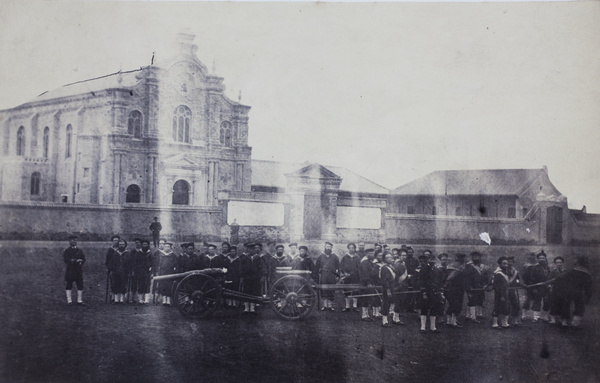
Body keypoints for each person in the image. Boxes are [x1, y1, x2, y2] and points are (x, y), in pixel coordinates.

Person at [551, 255, 592, 328]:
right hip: (578, 292)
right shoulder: (587, 273)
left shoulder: (572, 271)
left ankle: (566, 320)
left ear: (579, 262)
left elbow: (560, 278)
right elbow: (588, 287)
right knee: (578, 306)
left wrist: (553, 281)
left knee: (567, 305)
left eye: (575, 260)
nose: (574, 261)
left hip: (569, 291)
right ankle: (574, 322)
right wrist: (587, 296)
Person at [416, 251, 444, 333]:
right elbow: (421, 281)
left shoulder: (437, 270)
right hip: (426, 292)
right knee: (424, 309)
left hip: (435, 292)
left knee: (434, 309)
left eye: (433, 259)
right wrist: (424, 292)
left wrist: (440, 292)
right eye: (430, 259)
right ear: (427, 260)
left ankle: (433, 327)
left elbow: (439, 282)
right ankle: (423, 327)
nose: (432, 261)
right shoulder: (424, 269)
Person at [464, 251, 491, 323]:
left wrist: (485, 284)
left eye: (478, 257)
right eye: (474, 257)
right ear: (472, 258)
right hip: (472, 286)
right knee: (472, 300)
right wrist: (468, 286)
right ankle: (471, 316)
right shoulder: (468, 266)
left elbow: (485, 276)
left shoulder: (482, 266)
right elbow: (467, 277)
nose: (476, 258)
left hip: (480, 286)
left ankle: (479, 314)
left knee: (481, 299)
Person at [152, 240, 179, 306]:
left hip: (170, 272)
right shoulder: (161, 255)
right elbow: (157, 264)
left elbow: (176, 264)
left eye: (168, 247)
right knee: (163, 286)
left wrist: (175, 270)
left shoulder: (173, 255)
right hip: (163, 272)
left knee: (169, 286)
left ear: (170, 248)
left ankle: (168, 300)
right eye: (165, 246)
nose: (166, 248)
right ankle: (164, 300)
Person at [444, 253, 467, 328]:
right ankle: (452, 322)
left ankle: (450, 321)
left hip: (457, 288)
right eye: (462, 258)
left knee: (453, 304)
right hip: (454, 288)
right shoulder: (458, 266)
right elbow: (450, 277)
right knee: (455, 304)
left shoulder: (454, 265)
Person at [315, 242, 340, 311]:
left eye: (329, 247)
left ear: (331, 248)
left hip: (332, 275)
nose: (328, 248)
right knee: (324, 289)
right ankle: (325, 305)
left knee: (331, 289)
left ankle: (330, 305)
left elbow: (338, 267)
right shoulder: (321, 257)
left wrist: (338, 275)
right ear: (325, 247)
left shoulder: (335, 257)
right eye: (327, 247)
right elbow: (317, 267)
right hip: (324, 275)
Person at [63, 235, 85, 305]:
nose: (74, 241)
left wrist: (81, 261)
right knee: (69, 285)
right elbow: (66, 260)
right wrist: (75, 261)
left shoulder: (79, 250)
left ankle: (79, 300)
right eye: (72, 240)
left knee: (80, 285)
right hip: (70, 270)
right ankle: (69, 300)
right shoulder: (67, 251)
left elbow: (84, 258)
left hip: (78, 270)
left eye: (75, 240)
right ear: (69, 242)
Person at [529, 251, 551, 322]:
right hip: (538, 286)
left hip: (546, 287)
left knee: (547, 301)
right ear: (538, 259)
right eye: (540, 258)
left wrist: (549, 285)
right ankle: (536, 317)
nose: (541, 259)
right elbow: (532, 278)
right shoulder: (535, 268)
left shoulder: (547, 267)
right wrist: (534, 288)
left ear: (545, 259)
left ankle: (544, 315)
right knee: (537, 301)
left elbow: (550, 277)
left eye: (543, 258)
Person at [241, 243, 262, 313]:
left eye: (252, 249)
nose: (251, 251)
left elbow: (261, 268)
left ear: (254, 250)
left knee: (254, 291)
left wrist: (260, 276)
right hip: (247, 278)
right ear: (247, 250)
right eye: (249, 249)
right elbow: (241, 268)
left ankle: (252, 307)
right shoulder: (244, 258)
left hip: (255, 278)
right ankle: (247, 307)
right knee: (246, 291)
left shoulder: (258, 258)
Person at [107, 239, 130, 304]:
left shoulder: (127, 254)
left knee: (123, 284)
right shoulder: (115, 254)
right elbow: (111, 263)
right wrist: (110, 269)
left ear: (125, 245)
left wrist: (129, 271)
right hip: (116, 272)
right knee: (116, 284)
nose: (121, 246)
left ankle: (122, 299)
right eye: (120, 244)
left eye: (123, 244)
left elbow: (130, 264)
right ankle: (116, 299)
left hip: (124, 272)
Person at [340, 243, 360, 312]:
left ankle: (355, 306)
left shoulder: (357, 257)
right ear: (348, 249)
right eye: (350, 248)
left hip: (355, 277)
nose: (351, 249)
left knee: (355, 290)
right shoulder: (345, 257)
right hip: (347, 277)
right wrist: (344, 273)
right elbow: (341, 266)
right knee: (347, 290)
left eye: (353, 248)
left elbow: (360, 267)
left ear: (355, 249)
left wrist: (355, 273)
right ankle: (347, 306)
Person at [492, 257, 511, 329]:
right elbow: (497, 286)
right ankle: (494, 324)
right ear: (500, 264)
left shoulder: (506, 272)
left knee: (506, 307)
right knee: (497, 307)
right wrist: (501, 295)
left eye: (507, 264)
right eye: (504, 263)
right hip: (499, 293)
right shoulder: (498, 274)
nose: (506, 265)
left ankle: (504, 323)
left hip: (506, 293)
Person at [379, 252, 398, 327]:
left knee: (391, 303)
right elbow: (385, 280)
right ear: (384, 259)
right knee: (386, 304)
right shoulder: (384, 267)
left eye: (391, 257)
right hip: (387, 289)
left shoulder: (392, 266)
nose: (390, 259)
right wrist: (388, 290)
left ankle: (393, 319)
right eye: (387, 257)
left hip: (393, 288)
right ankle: (384, 321)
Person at [134, 239, 153, 304]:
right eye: (143, 244)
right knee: (140, 285)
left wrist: (151, 270)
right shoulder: (138, 253)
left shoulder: (150, 254)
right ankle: (140, 299)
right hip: (140, 272)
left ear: (148, 245)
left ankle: (146, 299)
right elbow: (135, 263)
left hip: (147, 271)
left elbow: (153, 263)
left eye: (146, 244)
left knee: (147, 285)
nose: (144, 246)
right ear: (141, 245)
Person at [358, 248, 376, 321]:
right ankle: (364, 315)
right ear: (366, 254)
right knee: (365, 298)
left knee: (368, 299)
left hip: (368, 283)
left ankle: (367, 315)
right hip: (365, 283)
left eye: (373, 253)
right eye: (370, 254)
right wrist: (368, 282)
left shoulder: (369, 261)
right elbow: (365, 274)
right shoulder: (365, 262)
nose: (372, 255)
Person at [520, 252, 538, 321]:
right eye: (530, 257)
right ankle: (524, 314)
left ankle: (535, 316)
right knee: (528, 299)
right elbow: (522, 275)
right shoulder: (526, 266)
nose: (532, 258)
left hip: (536, 284)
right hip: (528, 285)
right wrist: (524, 283)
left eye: (533, 256)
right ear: (528, 258)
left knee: (536, 299)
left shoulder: (538, 265)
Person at [548, 256, 566, 324]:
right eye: (557, 262)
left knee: (564, 305)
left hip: (564, 291)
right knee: (554, 304)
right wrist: (549, 286)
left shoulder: (565, 272)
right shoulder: (553, 272)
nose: (559, 264)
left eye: (560, 262)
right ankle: (553, 319)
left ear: (563, 263)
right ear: (555, 264)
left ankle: (563, 319)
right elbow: (549, 281)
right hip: (555, 290)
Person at [506, 256, 522, 326]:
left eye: (511, 262)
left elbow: (517, 279)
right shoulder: (504, 270)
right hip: (505, 289)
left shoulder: (515, 271)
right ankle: (505, 320)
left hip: (513, 289)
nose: (509, 263)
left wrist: (518, 283)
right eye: (508, 262)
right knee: (506, 304)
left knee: (515, 304)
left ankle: (515, 320)